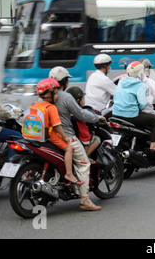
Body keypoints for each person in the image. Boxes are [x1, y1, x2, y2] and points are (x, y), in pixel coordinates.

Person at [49, 66, 103, 211]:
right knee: (84, 163)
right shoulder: (66, 97)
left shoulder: (44, 94)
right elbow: (81, 114)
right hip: (65, 135)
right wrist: (97, 118)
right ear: (64, 81)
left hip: (47, 136)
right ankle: (84, 200)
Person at [36, 78, 81, 187]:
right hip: (51, 136)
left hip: (37, 136)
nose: (57, 96)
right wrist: (65, 137)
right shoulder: (51, 108)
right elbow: (57, 126)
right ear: (49, 94)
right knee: (69, 148)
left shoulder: (36, 104)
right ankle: (69, 174)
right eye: (55, 93)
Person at [112, 61, 155, 154]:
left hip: (116, 114)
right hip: (131, 115)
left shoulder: (121, 81)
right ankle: (153, 145)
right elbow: (143, 105)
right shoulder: (140, 85)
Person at [67, 86, 101, 159]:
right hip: (78, 140)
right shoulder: (79, 115)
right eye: (82, 99)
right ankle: (85, 157)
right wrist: (86, 144)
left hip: (68, 137)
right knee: (97, 139)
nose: (83, 101)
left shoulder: (68, 111)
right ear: (77, 101)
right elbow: (84, 135)